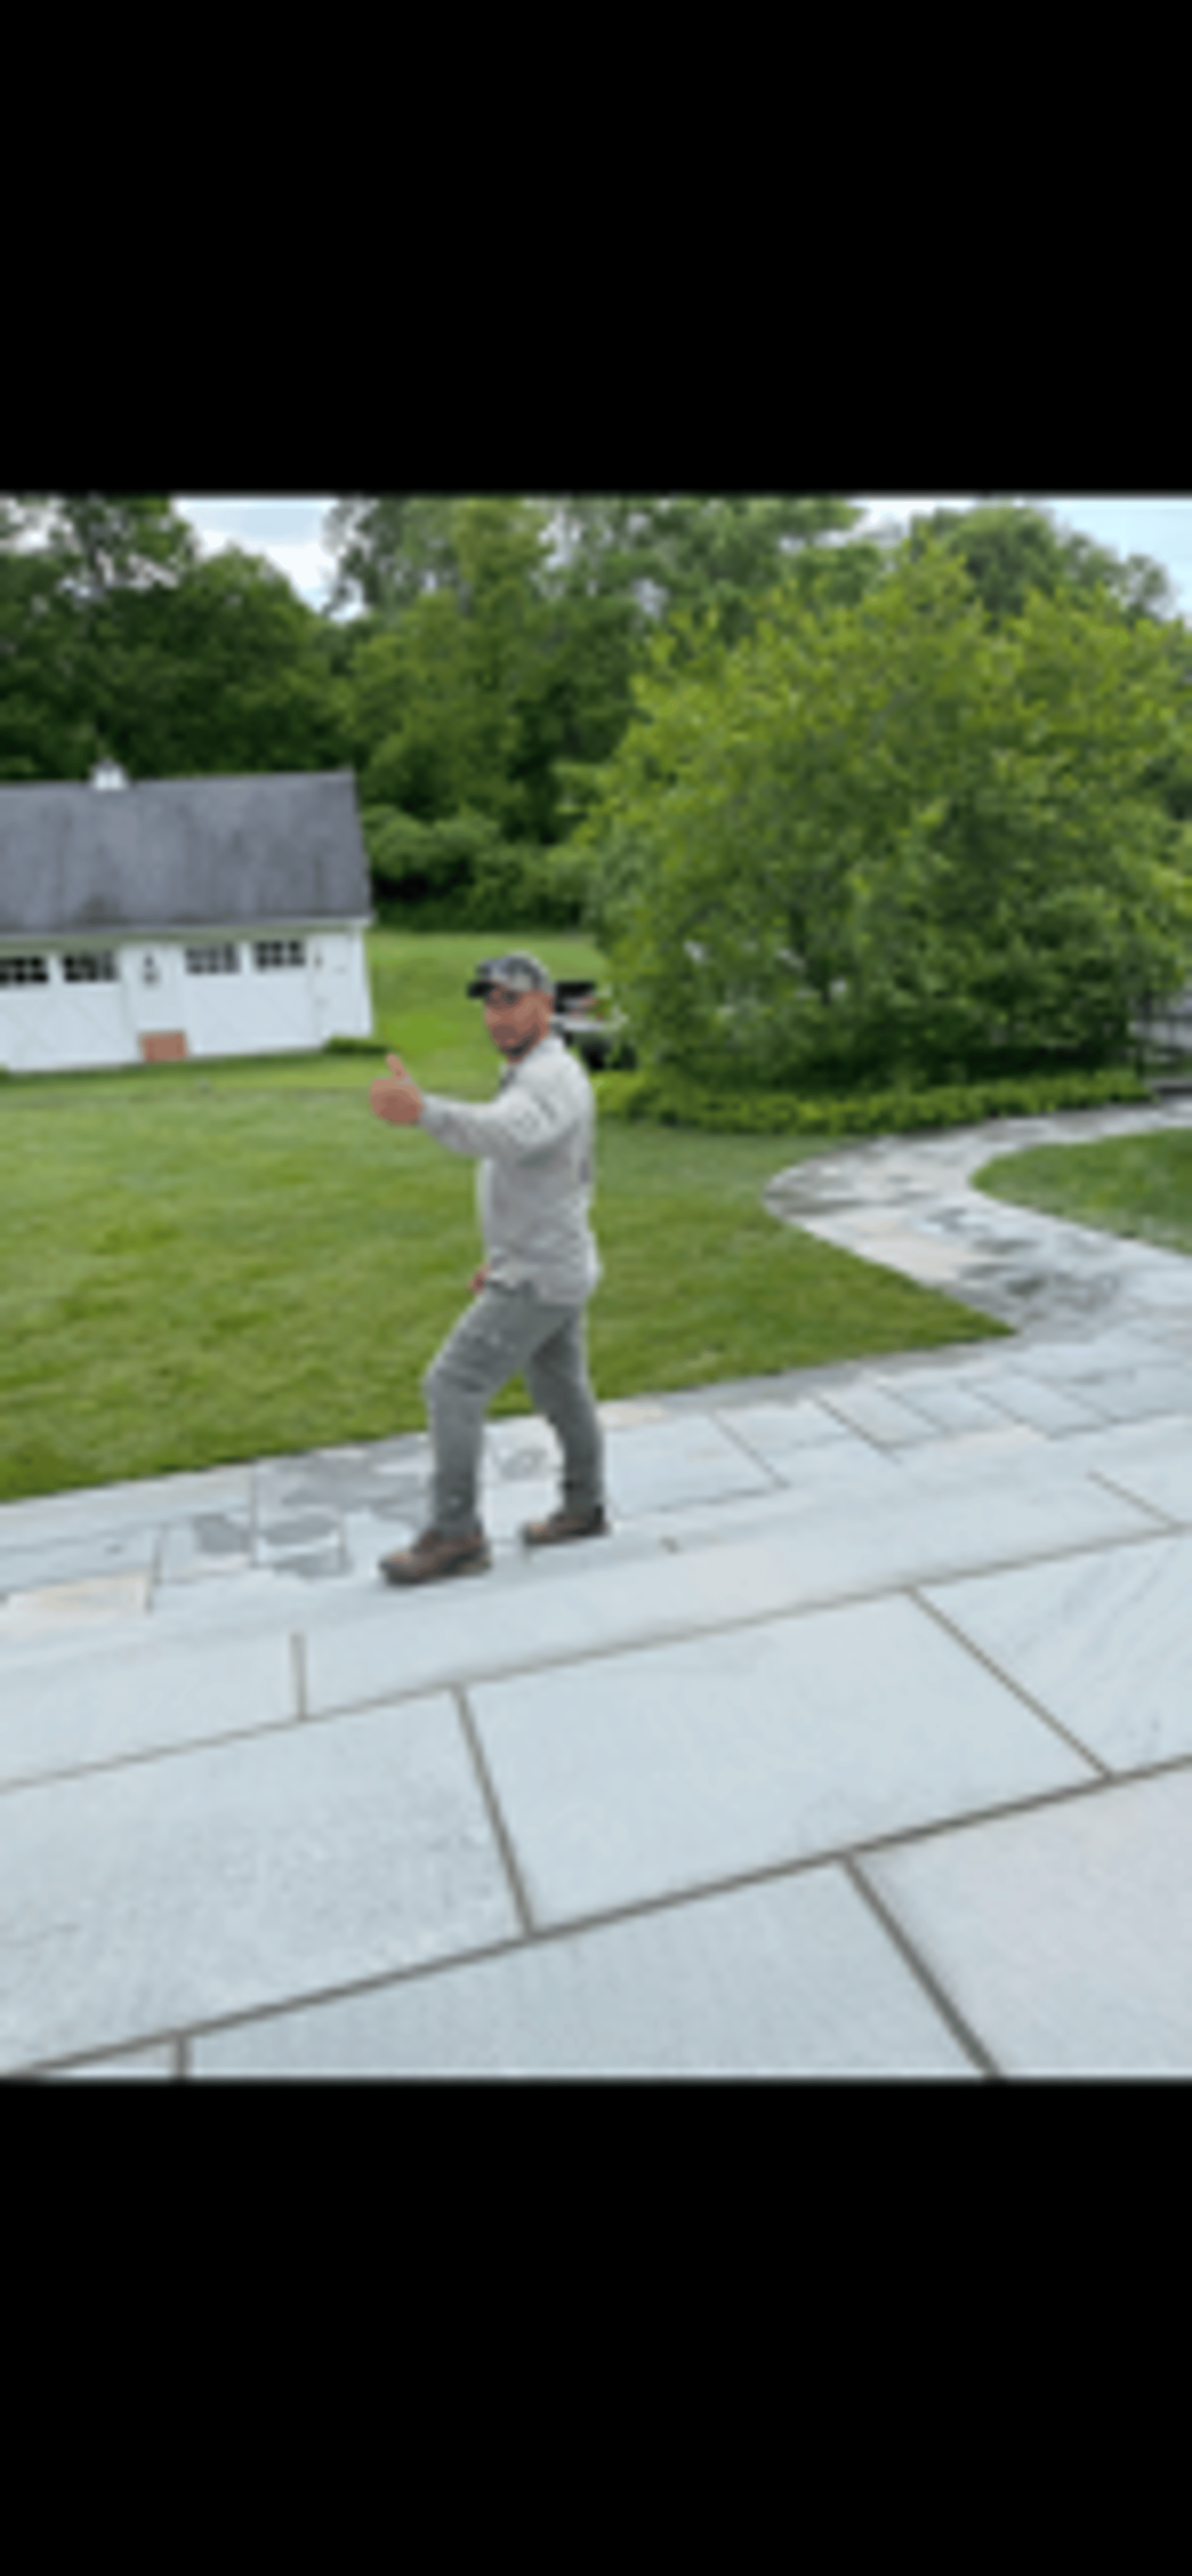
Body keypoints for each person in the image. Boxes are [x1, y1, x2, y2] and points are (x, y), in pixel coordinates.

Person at [367, 951, 609, 1586]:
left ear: (544, 1004)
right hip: (549, 1263)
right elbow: (553, 1179)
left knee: (452, 1384)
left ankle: (456, 1534)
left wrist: (424, 1111)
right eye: (488, 1001)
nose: (495, 1014)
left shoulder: (548, 1080)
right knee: (561, 1389)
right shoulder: (535, 1070)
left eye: (510, 1000)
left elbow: (505, 1135)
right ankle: (584, 1509)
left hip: (540, 1273)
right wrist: (502, 1258)